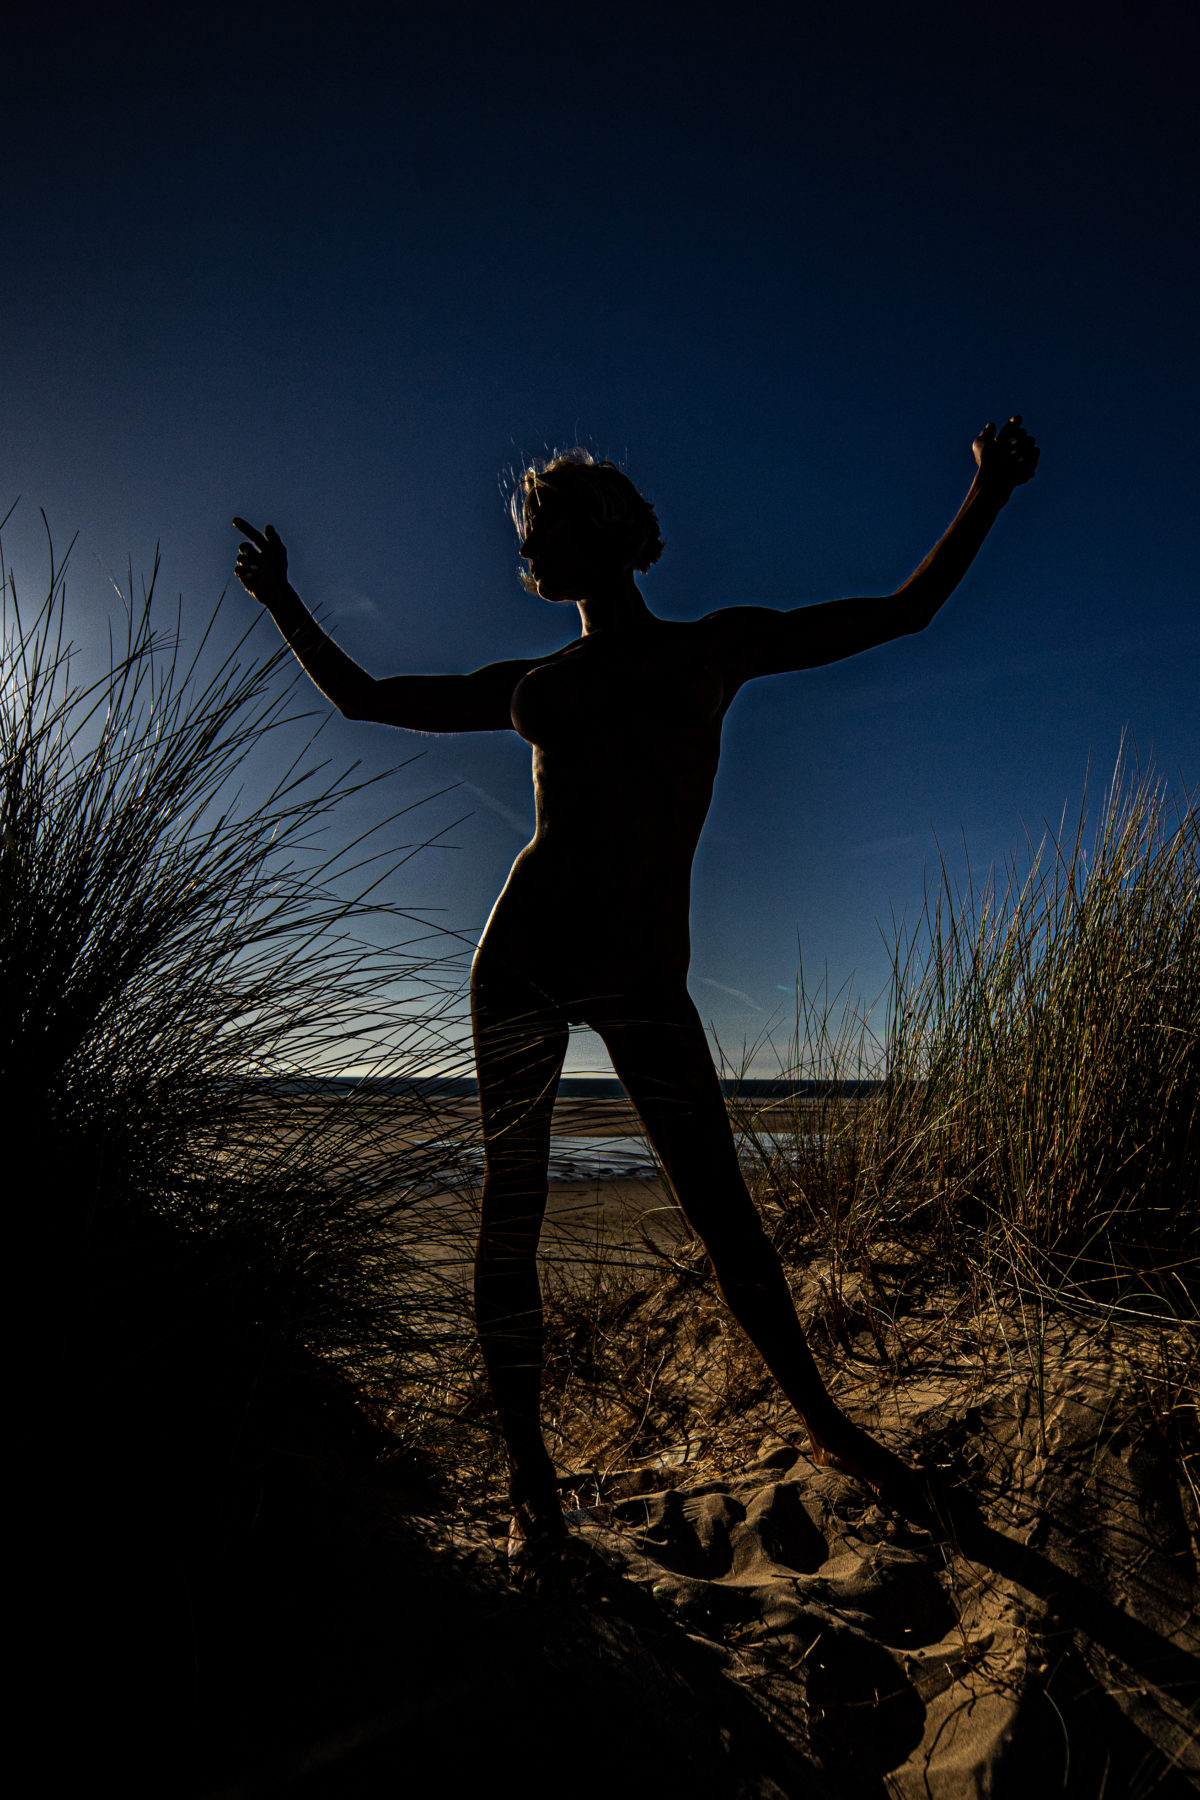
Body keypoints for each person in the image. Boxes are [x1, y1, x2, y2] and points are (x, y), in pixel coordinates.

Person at [233, 415, 1039, 1578]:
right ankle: (532, 1489)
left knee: (726, 1214)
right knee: (512, 1211)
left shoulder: (713, 649)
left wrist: (989, 490)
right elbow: (364, 697)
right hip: (523, 957)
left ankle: (830, 1428)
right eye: (527, 532)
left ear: (614, 532)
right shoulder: (536, 683)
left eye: (548, 523)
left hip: (645, 972)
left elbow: (901, 612)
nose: (529, 545)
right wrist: (280, 600)